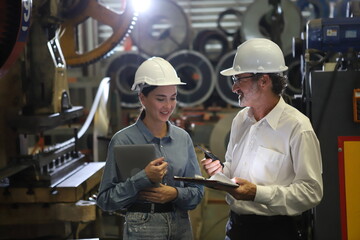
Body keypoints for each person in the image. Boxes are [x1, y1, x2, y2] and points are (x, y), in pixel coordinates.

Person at [201, 38, 323, 240]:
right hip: (236, 228)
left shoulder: (297, 127)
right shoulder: (241, 119)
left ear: (264, 81)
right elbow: (233, 169)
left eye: (239, 79)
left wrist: (257, 193)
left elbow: (311, 192)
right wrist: (221, 172)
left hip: (276, 232)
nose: (234, 88)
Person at [96, 57, 204, 239]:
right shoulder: (123, 140)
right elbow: (106, 201)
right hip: (143, 227)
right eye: (161, 99)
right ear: (142, 98)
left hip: (181, 225)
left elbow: (197, 192)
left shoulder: (182, 138)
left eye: (173, 98)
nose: (168, 106)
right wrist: (142, 179)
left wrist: (175, 193)